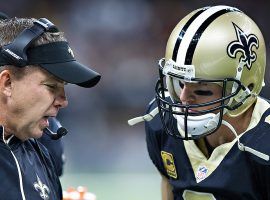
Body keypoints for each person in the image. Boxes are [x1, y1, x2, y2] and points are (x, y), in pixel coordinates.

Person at [128, 5, 269, 199]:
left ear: (244, 89)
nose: (184, 99)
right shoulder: (161, 122)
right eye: (179, 84)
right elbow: (169, 186)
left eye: (202, 90)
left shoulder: (264, 145)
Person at [0, 16, 100, 200]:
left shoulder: (38, 151)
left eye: (64, 87)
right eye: (51, 86)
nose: (63, 101)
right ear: (7, 83)